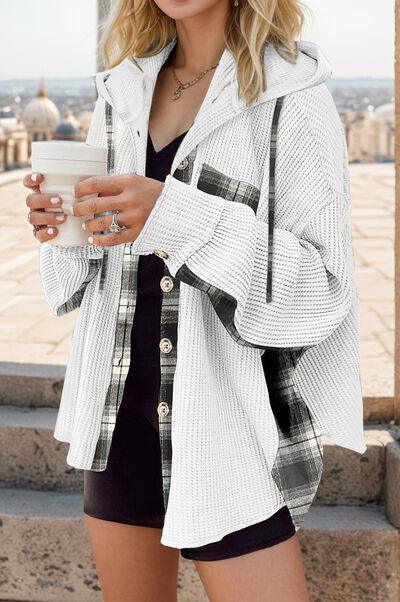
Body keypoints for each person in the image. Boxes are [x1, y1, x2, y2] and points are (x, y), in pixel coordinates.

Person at [24, 1, 367, 600]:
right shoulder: (123, 88)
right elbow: (89, 269)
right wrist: (62, 223)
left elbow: (321, 289)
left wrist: (175, 216)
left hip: (226, 430)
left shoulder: (292, 94)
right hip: (116, 420)